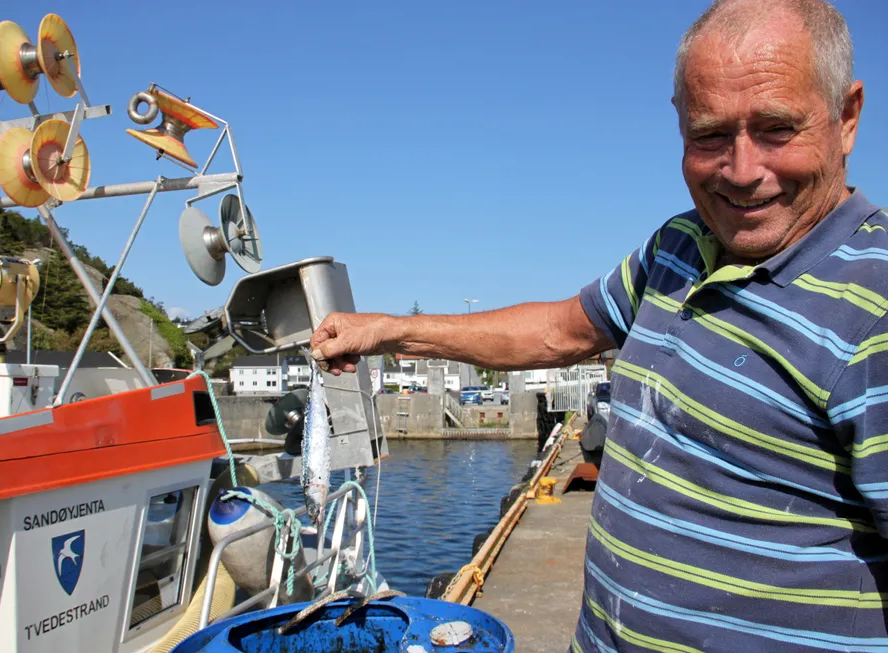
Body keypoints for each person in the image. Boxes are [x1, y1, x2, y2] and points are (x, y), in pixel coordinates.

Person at [310, 0, 888, 650]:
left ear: (846, 117)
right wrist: (387, 331)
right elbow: (558, 332)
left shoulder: (875, 301)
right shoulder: (677, 248)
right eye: (709, 135)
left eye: (777, 129)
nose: (743, 170)